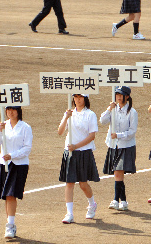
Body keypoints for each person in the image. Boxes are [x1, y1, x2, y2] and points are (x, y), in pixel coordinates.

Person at [0, 106, 33, 239]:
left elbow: (27, 148)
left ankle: (10, 225)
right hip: (4, 164)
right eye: (8, 110)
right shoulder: (3, 125)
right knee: (6, 196)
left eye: (13, 110)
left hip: (19, 164)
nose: (10, 112)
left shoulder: (25, 127)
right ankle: (10, 223)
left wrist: (12, 155)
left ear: (18, 111)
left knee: (11, 195)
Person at [58, 94, 100, 223]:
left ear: (85, 99)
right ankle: (69, 213)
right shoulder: (69, 113)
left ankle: (92, 204)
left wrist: (76, 146)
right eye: (76, 97)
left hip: (83, 152)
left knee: (83, 184)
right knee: (69, 183)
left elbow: (92, 136)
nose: (78, 99)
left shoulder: (90, 114)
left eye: (80, 97)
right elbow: (60, 131)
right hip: (70, 152)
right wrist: (66, 117)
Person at [100, 86, 137, 211]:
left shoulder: (132, 112)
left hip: (126, 146)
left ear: (127, 96)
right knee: (118, 174)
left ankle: (116, 200)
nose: (119, 97)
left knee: (117, 173)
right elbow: (102, 121)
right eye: (117, 94)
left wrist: (119, 135)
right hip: (113, 145)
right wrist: (108, 109)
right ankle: (124, 201)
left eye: (121, 95)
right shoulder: (113, 110)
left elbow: (132, 132)